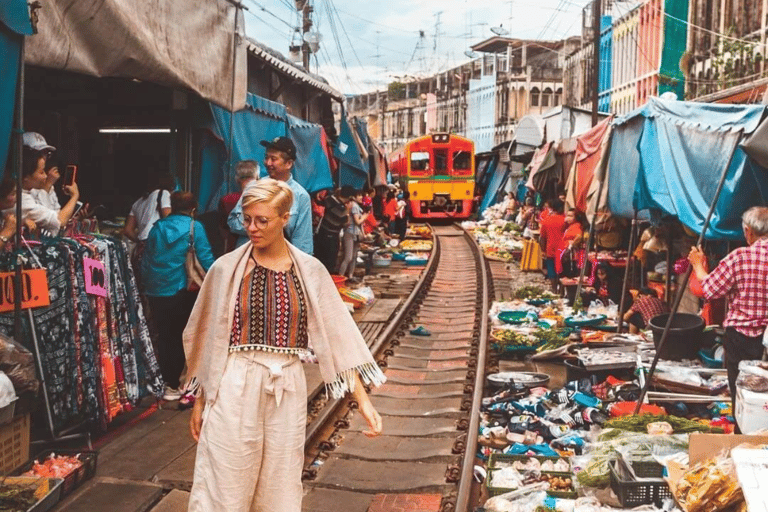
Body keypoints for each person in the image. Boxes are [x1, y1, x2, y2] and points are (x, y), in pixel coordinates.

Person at [183, 178, 384, 511]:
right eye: (247, 219)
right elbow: (206, 336)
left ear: (285, 218)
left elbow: (337, 337)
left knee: (279, 481)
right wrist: (200, 400)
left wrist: (362, 400)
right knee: (224, 477)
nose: (253, 228)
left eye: (263, 220)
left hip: (286, 388)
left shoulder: (309, 271)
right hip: (234, 382)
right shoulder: (225, 269)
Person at [689, 206, 768, 423]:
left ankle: (744, 438)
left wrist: (698, 265)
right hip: (766, 339)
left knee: (742, 392)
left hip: (741, 337)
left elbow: (709, 289)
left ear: (747, 231)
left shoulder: (740, 257)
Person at [142, 192, 215, 402]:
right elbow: (206, 257)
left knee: (164, 336)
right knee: (185, 335)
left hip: (157, 290)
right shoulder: (195, 227)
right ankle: (182, 382)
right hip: (182, 289)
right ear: (193, 208)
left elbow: (147, 260)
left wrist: (148, 285)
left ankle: (168, 383)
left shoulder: (157, 228)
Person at [227, 137, 313, 254]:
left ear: (288, 163)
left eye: (273, 159)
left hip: (278, 264)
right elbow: (233, 223)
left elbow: (303, 243)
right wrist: (265, 226)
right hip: (247, 260)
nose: (267, 163)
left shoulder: (300, 196)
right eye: (266, 157)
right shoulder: (253, 187)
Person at [14, 133, 79, 235]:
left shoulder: (37, 184)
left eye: (46, 154)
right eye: (39, 154)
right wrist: (75, 196)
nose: (44, 158)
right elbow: (59, 221)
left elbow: (57, 212)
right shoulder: (17, 195)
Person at [124, 173, 174, 279]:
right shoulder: (163, 194)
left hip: (141, 249)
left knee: (143, 284)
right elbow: (169, 220)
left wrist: (140, 241)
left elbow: (128, 230)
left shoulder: (138, 202)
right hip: (157, 247)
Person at [219, 160, 260, 253]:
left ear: (237, 179)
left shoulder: (226, 200)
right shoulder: (264, 198)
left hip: (234, 250)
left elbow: (224, 227)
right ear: (257, 177)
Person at [314, 186, 352, 274]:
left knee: (320, 260)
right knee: (330, 263)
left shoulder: (330, 199)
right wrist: (347, 210)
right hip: (332, 238)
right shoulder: (342, 209)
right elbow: (346, 223)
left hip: (321, 234)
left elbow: (320, 202)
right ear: (349, 198)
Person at [338, 190, 367, 282]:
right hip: (349, 233)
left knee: (354, 256)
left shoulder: (357, 207)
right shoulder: (354, 206)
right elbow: (358, 221)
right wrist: (365, 217)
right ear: (354, 197)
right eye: (359, 195)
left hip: (356, 234)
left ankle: (350, 276)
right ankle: (340, 277)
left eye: (361, 195)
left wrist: (363, 233)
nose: (361, 197)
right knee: (348, 257)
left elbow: (360, 225)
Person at [539, 199, 565, 292]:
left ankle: (554, 290)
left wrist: (542, 250)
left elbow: (542, 238)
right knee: (562, 271)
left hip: (550, 249)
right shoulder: (564, 220)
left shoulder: (546, 220)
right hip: (563, 250)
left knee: (551, 271)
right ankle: (561, 291)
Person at [557, 208, 588, 277]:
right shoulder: (570, 226)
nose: (568, 218)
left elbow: (579, 237)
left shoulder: (576, 226)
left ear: (576, 217)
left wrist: (571, 245)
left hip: (571, 256)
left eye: (571, 216)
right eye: (567, 215)